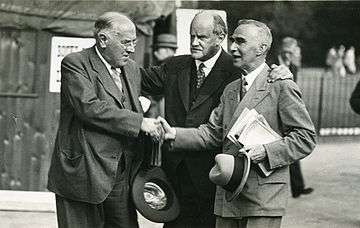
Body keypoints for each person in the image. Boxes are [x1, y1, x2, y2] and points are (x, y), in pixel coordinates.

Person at [141, 11, 293, 228]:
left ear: (220, 37)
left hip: (219, 178)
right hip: (177, 176)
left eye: (201, 37)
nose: (194, 42)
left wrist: (282, 73)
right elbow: (137, 78)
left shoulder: (238, 69)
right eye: (191, 36)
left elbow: (267, 82)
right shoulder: (176, 67)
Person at [47, 12, 163, 228]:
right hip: (84, 172)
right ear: (102, 39)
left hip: (121, 174)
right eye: (126, 42)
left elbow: (158, 82)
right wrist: (140, 122)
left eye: (134, 43)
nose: (131, 49)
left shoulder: (131, 68)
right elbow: (89, 107)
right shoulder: (76, 63)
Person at [277, 37, 314, 198]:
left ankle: (298, 187)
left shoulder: (293, 66)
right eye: (291, 51)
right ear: (285, 50)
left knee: (292, 148)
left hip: (287, 114)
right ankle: (294, 188)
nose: (293, 54)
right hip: (274, 114)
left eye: (294, 51)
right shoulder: (273, 64)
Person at [145, 33, 178, 118]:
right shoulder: (177, 65)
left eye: (158, 49)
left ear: (167, 50)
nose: (155, 53)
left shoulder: (166, 67)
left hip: (164, 107)